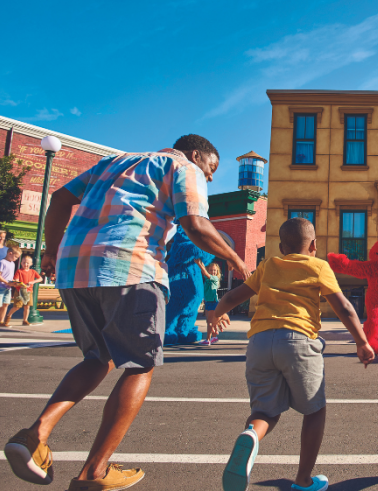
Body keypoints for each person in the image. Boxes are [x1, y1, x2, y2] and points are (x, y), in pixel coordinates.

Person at [3, 135, 250, 491]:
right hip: (131, 266)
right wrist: (235, 260)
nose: (209, 177)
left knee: (98, 357)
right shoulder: (184, 167)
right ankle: (94, 472)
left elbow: (59, 199)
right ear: (197, 155)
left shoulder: (114, 161)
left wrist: (50, 252)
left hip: (76, 270)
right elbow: (194, 223)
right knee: (140, 364)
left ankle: (33, 437)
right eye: (211, 169)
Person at [208, 218, 375, 491]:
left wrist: (217, 314)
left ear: (280, 246)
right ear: (315, 246)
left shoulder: (268, 265)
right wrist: (362, 342)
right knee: (314, 410)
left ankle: (251, 434)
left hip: (260, 342)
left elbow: (233, 297)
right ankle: (303, 480)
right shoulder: (319, 266)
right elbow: (344, 307)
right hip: (297, 340)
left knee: (264, 412)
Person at [5, 254, 42, 326]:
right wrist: (19, 283)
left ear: (31, 264)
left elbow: (40, 278)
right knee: (16, 306)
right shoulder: (19, 271)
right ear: (21, 263)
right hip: (19, 292)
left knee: (27, 306)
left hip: (28, 292)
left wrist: (32, 282)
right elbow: (16, 279)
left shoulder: (33, 271)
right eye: (24, 262)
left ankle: (25, 320)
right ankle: (8, 316)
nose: (26, 264)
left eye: (27, 263)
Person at [196, 259, 222, 345]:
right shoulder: (207, 279)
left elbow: (205, 273)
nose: (213, 271)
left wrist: (199, 264)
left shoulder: (215, 278)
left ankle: (207, 339)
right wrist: (202, 263)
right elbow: (205, 272)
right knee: (210, 321)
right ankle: (214, 337)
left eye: (214, 270)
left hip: (213, 302)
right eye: (211, 270)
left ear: (217, 271)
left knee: (209, 322)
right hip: (208, 301)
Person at [0, 246, 21, 326]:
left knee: (6, 304)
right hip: (1, 287)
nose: (16, 259)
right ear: (10, 253)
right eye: (15, 256)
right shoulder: (2, 262)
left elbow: (10, 276)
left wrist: (14, 282)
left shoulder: (12, 264)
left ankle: (1, 321)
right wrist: (6, 282)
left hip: (8, 288)